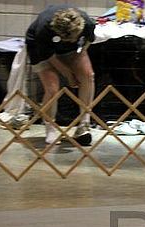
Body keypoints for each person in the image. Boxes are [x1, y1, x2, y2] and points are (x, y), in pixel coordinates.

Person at [26, 5, 96, 145]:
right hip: (40, 48)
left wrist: (79, 56)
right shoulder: (43, 29)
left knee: (88, 75)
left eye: (72, 38)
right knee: (52, 88)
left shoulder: (88, 23)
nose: (68, 41)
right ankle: (50, 127)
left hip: (71, 50)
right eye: (66, 39)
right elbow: (49, 56)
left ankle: (84, 124)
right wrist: (68, 74)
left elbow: (88, 41)